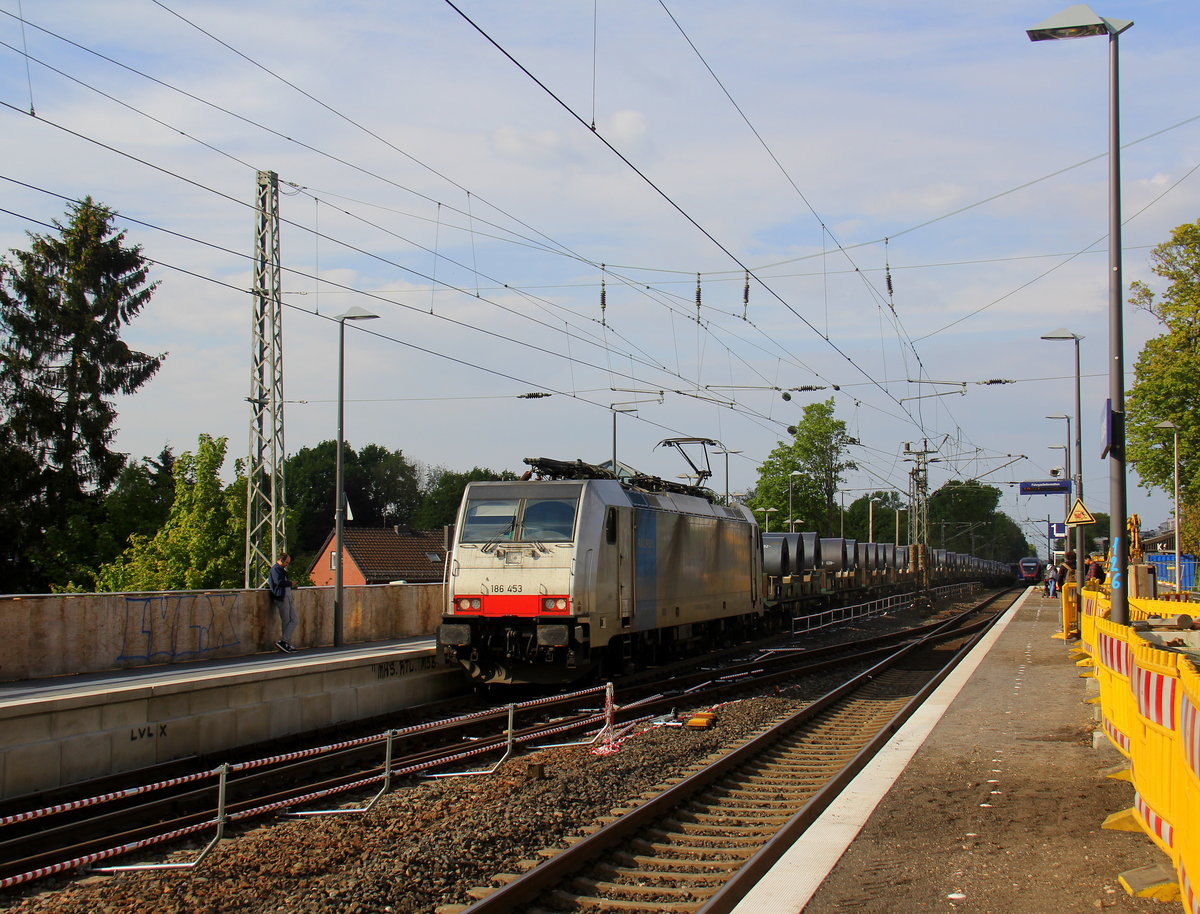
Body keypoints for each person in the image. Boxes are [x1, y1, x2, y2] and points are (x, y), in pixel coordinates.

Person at [268, 553, 298, 653]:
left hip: (287, 597)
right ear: (281, 560)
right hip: (281, 597)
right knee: (286, 620)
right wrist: (290, 583)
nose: (287, 564)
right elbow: (278, 582)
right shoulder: (275, 569)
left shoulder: (281, 570)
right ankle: (285, 642)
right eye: (286, 562)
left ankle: (285, 642)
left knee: (294, 619)